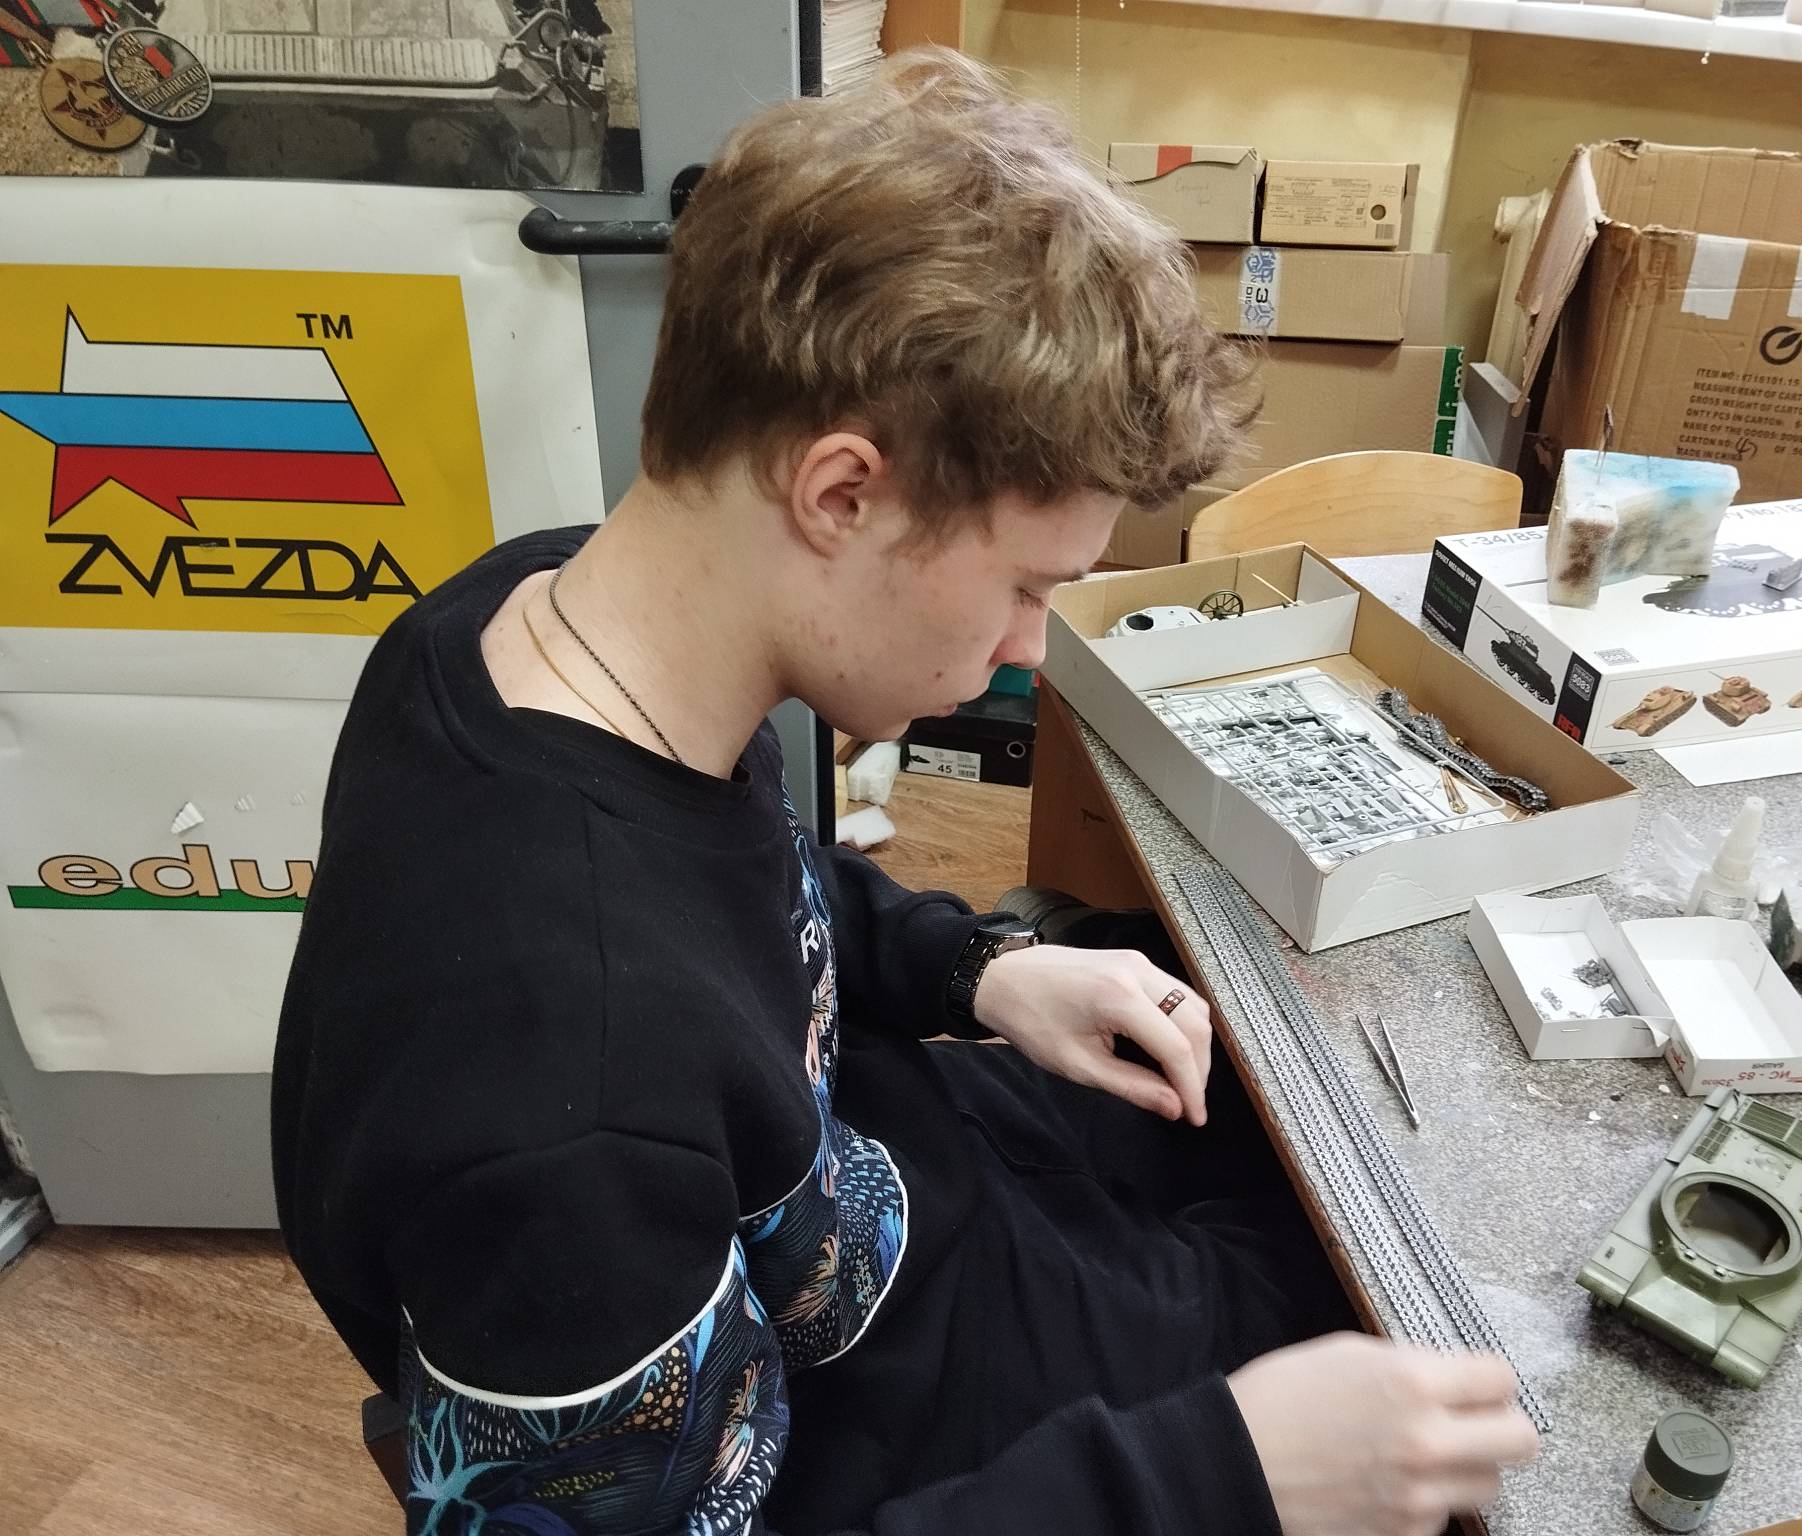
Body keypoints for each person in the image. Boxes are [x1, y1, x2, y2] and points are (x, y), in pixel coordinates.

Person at [271, 48, 1539, 1536]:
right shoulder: (566, 1129)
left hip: (909, 1189)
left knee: (1304, 1123)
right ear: (841, 493)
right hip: (921, 1435)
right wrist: (1215, 1477)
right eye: (1027, 586)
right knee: (1426, 1340)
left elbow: (734, 890)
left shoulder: (542, 614)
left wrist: (974, 967)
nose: (1029, 651)